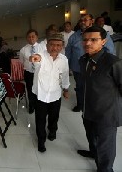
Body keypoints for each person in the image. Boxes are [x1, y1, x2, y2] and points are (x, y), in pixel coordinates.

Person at [77, 26, 122, 172]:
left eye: (93, 40)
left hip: (106, 115)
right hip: (88, 110)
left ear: (103, 41)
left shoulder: (113, 62)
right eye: (85, 40)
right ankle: (93, 153)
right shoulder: (83, 60)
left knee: (105, 147)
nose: (88, 43)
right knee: (92, 138)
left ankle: (105, 169)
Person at [65, 14, 115, 112]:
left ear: (91, 21)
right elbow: (68, 52)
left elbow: (110, 51)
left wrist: (106, 67)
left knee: (95, 88)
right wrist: (67, 67)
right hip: (78, 68)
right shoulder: (74, 36)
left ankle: (93, 106)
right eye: (81, 20)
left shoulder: (102, 34)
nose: (82, 22)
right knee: (80, 87)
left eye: (85, 20)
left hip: (97, 68)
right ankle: (80, 104)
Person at [29, 33, 70, 152]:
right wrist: (33, 58)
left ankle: (52, 131)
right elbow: (35, 59)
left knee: (54, 117)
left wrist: (66, 89)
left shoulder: (64, 60)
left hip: (55, 95)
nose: (55, 48)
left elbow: (65, 75)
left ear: (62, 46)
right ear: (47, 45)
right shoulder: (41, 56)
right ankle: (41, 141)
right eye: (52, 44)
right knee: (40, 119)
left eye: (58, 45)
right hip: (40, 95)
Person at [19, 29, 45, 114]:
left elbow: (46, 60)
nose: (31, 38)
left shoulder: (43, 47)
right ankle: (31, 105)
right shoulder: (23, 49)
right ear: (27, 38)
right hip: (29, 73)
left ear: (37, 37)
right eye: (29, 37)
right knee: (30, 90)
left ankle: (40, 104)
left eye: (33, 36)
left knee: (40, 89)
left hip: (40, 72)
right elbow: (21, 61)